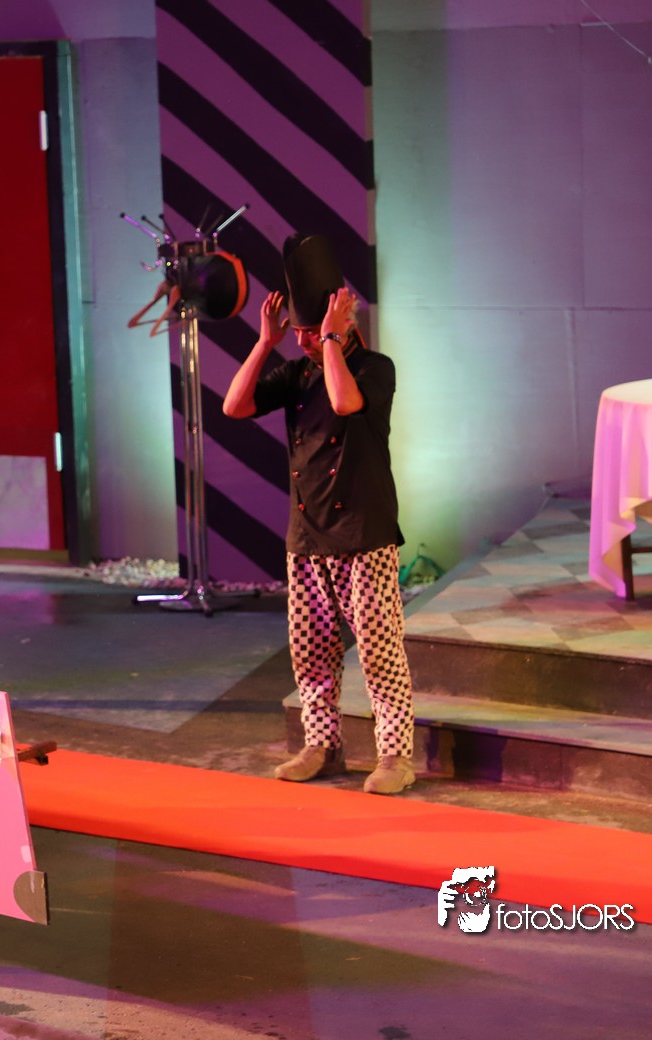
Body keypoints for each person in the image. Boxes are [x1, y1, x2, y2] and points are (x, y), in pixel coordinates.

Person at [221, 234, 416, 794]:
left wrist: (330, 339)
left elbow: (344, 402)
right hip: (307, 538)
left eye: (312, 330)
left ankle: (395, 756)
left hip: (363, 535)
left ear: (341, 320)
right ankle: (323, 746)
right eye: (300, 332)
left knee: (379, 654)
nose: (304, 340)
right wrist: (266, 342)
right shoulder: (297, 373)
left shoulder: (375, 368)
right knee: (311, 654)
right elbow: (234, 405)